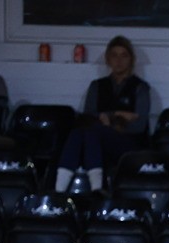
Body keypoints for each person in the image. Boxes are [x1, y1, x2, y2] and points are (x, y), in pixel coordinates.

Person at [54, 36, 151, 193]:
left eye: (124, 55)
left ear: (131, 60)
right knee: (79, 132)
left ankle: (96, 188)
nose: (119, 60)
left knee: (93, 131)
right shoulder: (97, 86)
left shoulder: (140, 88)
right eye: (114, 55)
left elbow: (139, 126)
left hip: (127, 142)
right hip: (98, 137)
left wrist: (107, 120)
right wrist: (118, 115)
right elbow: (88, 117)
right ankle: (59, 190)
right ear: (108, 59)